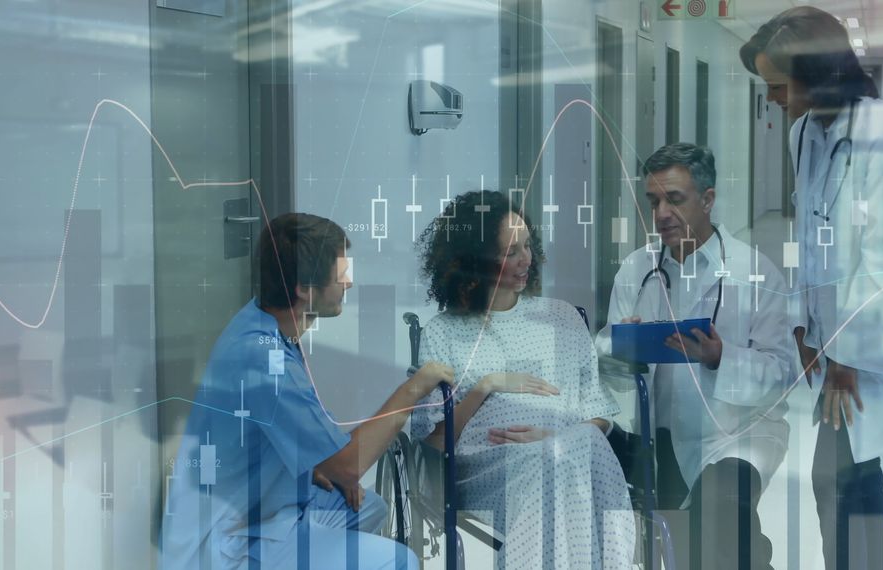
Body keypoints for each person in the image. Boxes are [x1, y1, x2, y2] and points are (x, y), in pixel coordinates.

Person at [740, 7, 883, 570]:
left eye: (779, 85)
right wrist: (803, 327)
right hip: (833, 342)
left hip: (870, 345)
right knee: (841, 481)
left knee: (845, 481)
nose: (773, 98)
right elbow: (808, 239)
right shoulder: (803, 133)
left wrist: (846, 356)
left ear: (818, 75)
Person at [159, 213, 454, 570]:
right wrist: (412, 389)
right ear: (303, 288)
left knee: (368, 507)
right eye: (341, 274)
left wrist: (313, 466)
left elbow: (284, 432)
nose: (349, 283)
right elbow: (347, 467)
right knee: (397, 560)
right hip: (228, 540)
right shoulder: (263, 358)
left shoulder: (265, 324)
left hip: (257, 505)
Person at [410, 190, 635, 569]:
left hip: (569, 454)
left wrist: (559, 440)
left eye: (527, 246)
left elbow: (599, 415)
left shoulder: (562, 318)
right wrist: (486, 386)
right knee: (560, 459)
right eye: (509, 252)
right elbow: (434, 441)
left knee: (577, 446)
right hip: (488, 468)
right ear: (474, 263)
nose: (525, 260)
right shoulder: (443, 333)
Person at [596, 143, 796, 570]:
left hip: (738, 435)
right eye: (653, 201)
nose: (662, 213)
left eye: (675, 199)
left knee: (723, 518)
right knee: (685, 549)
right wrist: (618, 345)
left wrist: (722, 357)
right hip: (662, 436)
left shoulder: (755, 272)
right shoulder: (636, 270)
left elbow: (782, 378)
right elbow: (605, 366)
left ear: (707, 199)